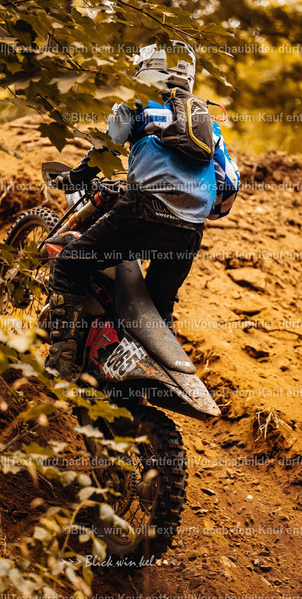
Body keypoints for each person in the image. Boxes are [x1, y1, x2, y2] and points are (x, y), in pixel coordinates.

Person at [46, 42, 239, 381]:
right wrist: (193, 205)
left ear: (146, 67)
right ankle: (150, 382)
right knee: (158, 306)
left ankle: (60, 363)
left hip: (142, 211)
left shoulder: (136, 100)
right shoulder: (208, 122)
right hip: (190, 231)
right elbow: (229, 185)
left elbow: (104, 150)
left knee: (69, 264)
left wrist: (74, 178)